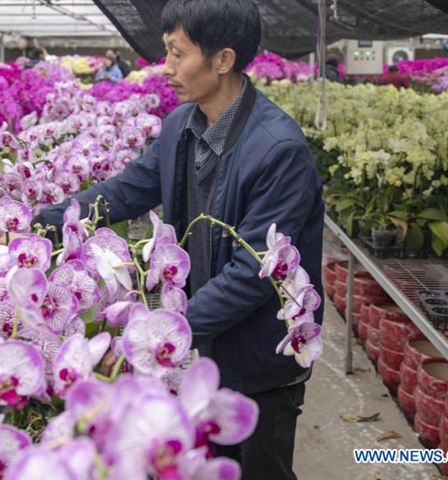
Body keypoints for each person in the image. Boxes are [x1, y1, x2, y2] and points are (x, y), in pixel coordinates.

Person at [35, 0, 324, 478]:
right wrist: (43, 225)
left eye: (177, 52)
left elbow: (252, 275)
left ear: (223, 60)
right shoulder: (181, 126)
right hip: (204, 348)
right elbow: (126, 191)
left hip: (258, 359)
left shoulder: (279, 151)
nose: (165, 67)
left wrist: (162, 331)